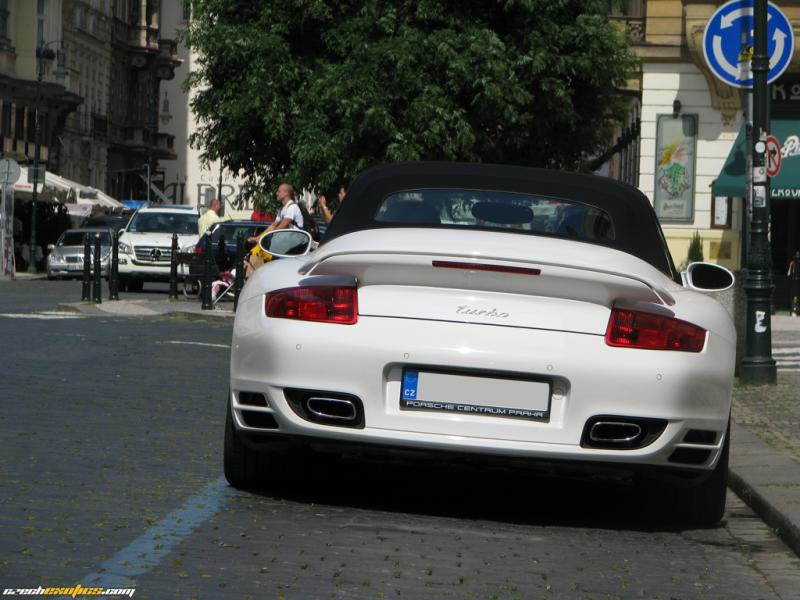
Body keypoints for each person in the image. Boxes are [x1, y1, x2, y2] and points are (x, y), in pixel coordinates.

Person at [244, 183, 301, 277]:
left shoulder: (292, 207)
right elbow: (273, 226)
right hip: (285, 246)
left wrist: (266, 237)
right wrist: (257, 238)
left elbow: (282, 226)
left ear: (286, 193)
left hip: (294, 248)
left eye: (279, 191)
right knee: (256, 253)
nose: (276, 193)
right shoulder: (282, 209)